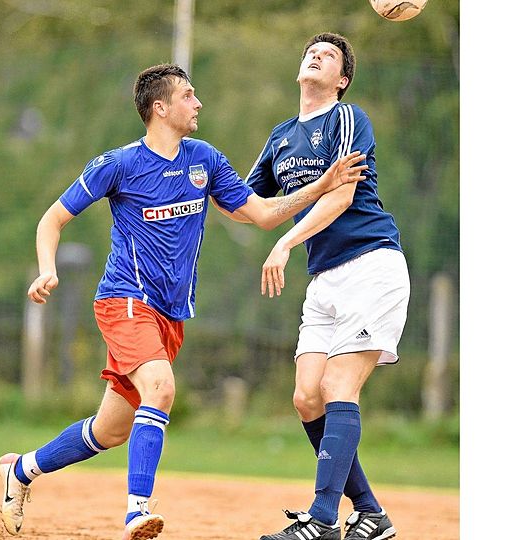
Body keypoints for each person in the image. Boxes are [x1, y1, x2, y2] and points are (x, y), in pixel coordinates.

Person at [0, 63, 368, 540]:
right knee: (161, 388)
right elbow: (51, 220)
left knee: (110, 430)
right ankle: (136, 511)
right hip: (125, 301)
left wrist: (321, 185)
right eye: (189, 96)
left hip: (169, 316)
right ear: (161, 108)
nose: (198, 104)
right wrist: (47, 269)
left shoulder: (205, 160)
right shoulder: (119, 163)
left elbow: (261, 214)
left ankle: (21, 471)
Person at [220, 33, 410, 540]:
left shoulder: (346, 119)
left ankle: (323, 520)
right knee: (307, 398)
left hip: (370, 263)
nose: (316, 54)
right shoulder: (281, 136)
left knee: (337, 388)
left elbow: (342, 195)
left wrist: (285, 243)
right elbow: (249, 204)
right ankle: (370, 512)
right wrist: (194, 183)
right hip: (324, 277)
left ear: (342, 80)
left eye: (330, 55)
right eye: (312, 50)